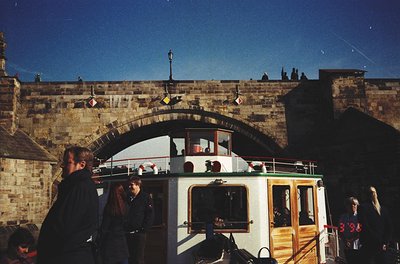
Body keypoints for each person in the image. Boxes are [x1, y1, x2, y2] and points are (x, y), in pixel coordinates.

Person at [37, 146, 99, 264]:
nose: (62, 166)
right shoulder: (76, 186)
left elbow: (66, 226)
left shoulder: (80, 187)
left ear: (81, 164)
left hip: (68, 256)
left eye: (68, 162)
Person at [358, 186, 392, 264]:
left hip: (369, 245)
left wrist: (377, 240)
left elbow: (364, 226)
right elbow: (389, 228)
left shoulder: (362, 208)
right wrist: (384, 242)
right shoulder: (384, 209)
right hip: (381, 246)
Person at [126, 176, 154, 264]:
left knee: (138, 259)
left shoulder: (146, 198)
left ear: (138, 185)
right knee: (128, 258)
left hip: (139, 234)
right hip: (127, 233)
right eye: (129, 185)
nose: (129, 187)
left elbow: (150, 215)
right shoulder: (127, 197)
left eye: (131, 185)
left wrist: (143, 230)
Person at [100, 183, 129, 264]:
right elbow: (128, 223)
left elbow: (104, 227)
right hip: (122, 243)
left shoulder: (109, 208)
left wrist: (99, 241)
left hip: (110, 243)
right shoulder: (125, 207)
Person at [338, 197, 361, 264]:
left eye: (354, 204)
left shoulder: (360, 217)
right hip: (345, 244)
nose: (352, 206)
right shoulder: (343, 217)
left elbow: (361, 231)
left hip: (356, 244)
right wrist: (345, 241)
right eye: (350, 204)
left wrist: (351, 240)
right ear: (346, 206)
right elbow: (340, 230)